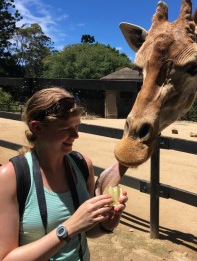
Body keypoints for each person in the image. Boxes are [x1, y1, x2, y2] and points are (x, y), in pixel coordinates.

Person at [0, 87, 128, 261]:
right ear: (37, 128)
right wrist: (67, 228)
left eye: (77, 126)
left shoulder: (83, 165)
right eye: (66, 128)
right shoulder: (9, 177)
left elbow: (87, 232)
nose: (76, 135)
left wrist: (106, 224)